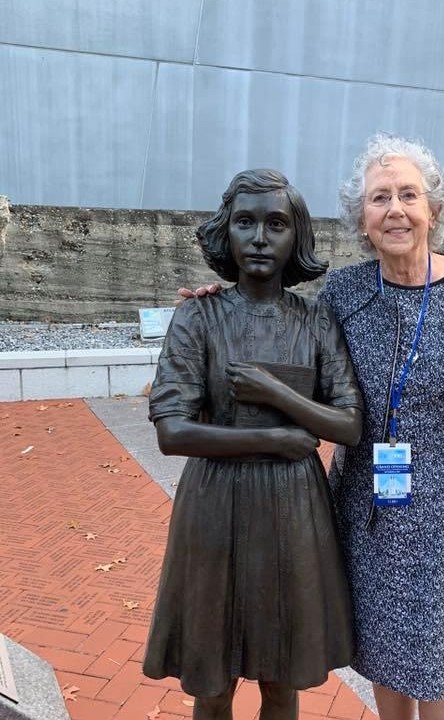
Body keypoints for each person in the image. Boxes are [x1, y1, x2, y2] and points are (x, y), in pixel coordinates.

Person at [184, 134, 444, 720]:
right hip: (364, 508)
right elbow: (288, 341)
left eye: (408, 195)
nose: (394, 209)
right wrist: (220, 303)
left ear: (434, 208)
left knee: (439, 665)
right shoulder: (345, 292)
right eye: (379, 198)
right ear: (362, 218)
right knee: (380, 658)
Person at [145, 168, 363, 720]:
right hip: (214, 509)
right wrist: (276, 437)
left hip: (292, 511)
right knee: (211, 682)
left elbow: (349, 423)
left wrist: (273, 392)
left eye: (276, 223)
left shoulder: (316, 322)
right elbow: (171, 430)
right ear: (228, 232)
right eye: (246, 222)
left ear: (297, 236)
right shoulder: (199, 314)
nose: (260, 238)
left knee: (280, 677)